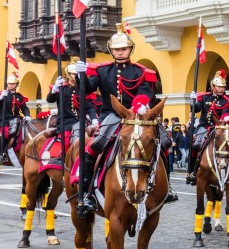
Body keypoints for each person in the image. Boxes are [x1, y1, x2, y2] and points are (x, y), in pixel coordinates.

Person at [76, 23, 178, 211]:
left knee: (163, 141)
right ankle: (86, 192)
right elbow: (88, 88)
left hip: (137, 115)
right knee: (94, 145)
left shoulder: (141, 72)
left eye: (123, 49)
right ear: (111, 51)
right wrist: (81, 75)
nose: (120, 52)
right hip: (111, 115)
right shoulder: (101, 70)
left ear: (130, 49)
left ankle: (167, 186)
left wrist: (140, 105)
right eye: (116, 49)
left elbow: (146, 93)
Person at [187, 69, 229, 184]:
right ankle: (193, 171)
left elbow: (225, 111)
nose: (222, 89)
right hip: (204, 126)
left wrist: (226, 118)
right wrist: (193, 102)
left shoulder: (226, 100)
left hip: (218, 127)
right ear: (213, 87)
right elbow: (197, 109)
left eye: (223, 87)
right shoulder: (204, 97)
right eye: (219, 87)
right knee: (196, 145)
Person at [46, 62, 99, 139]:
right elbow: (50, 100)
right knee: (66, 141)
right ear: (68, 74)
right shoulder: (62, 89)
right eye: (74, 74)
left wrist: (94, 119)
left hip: (82, 123)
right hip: (66, 124)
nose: (76, 76)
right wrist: (54, 89)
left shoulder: (84, 90)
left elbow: (90, 106)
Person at [0, 73, 31, 163]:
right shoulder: (2, 94)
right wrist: (0, 98)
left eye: (13, 84)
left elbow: (24, 108)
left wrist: (27, 115)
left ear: (16, 85)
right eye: (9, 84)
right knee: (6, 133)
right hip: (4, 119)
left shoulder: (19, 96)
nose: (11, 85)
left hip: (15, 119)